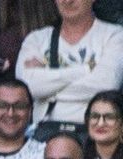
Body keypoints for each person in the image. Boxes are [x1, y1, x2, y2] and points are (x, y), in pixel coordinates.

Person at [16, 0, 123, 130]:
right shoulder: (36, 39)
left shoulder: (114, 35)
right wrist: (85, 70)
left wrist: (46, 89)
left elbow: (106, 85)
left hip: (95, 133)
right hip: (46, 130)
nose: (68, 1)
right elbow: (26, 89)